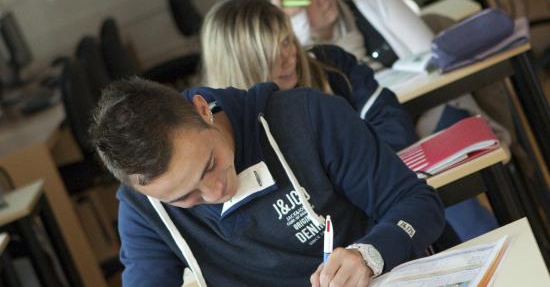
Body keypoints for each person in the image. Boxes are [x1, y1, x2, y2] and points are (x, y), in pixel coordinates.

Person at [90, 77, 445, 286]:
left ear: (202, 110)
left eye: (210, 165)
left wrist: (370, 254)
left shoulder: (306, 117)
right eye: (186, 197)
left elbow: (417, 203)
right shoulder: (142, 211)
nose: (216, 192)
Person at [253, 0, 504, 241]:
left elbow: (438, 60)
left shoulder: (370, 0)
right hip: (385, 144)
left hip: (431, 114)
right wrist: (298, 34)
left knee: (446, 202)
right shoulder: (299, 61)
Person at [201, 0, 415, 151]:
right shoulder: (227, 127)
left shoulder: (331, 64)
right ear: (238, 67)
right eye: (269, 55)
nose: (288, 57)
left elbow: (395, 127)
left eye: (286, 41)